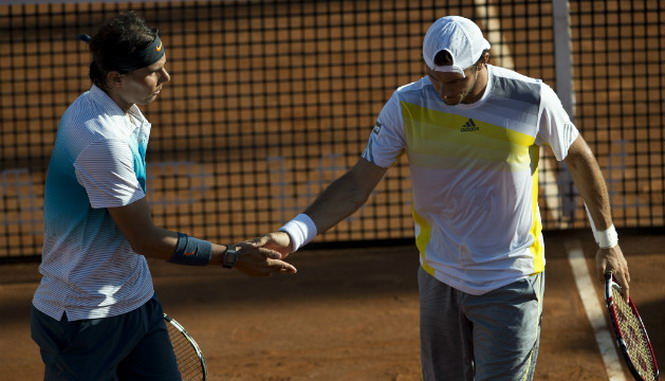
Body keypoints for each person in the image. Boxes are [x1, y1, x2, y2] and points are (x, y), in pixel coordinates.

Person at [252, 15, 630, 381]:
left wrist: (608, 242)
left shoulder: (531, 98)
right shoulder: (407, 104)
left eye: (454, 80)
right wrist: (292, 235)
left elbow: (579, 158)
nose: (444, 90)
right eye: (435, 78)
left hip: (512, 281)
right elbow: (357, 183)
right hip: (440, 279)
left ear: (485, 59)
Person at [31, 11, 296, 381]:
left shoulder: (111, 109)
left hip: (136, 301)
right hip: (84, 317)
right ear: (116, 78)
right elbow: (145, 239)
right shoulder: (101, 140)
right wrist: (233, 257)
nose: (167, 78)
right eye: (154, 72)